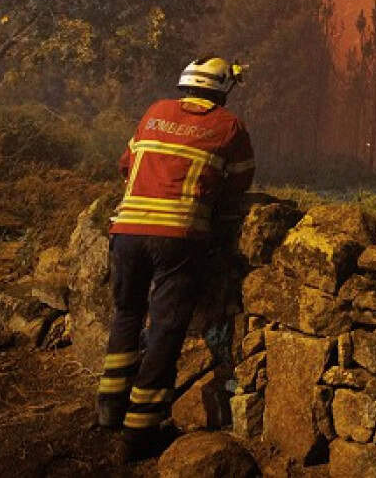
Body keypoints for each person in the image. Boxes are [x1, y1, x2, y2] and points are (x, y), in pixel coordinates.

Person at [95, 56, 254, 461]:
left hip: (127, 230)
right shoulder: (228, 125)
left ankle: (109, 408)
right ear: (222, 89)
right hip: (179, 237)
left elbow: (125, 164)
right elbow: (238, 185)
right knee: (166, 327)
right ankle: (139, 431)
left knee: (127, 313)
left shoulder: (155, 112)